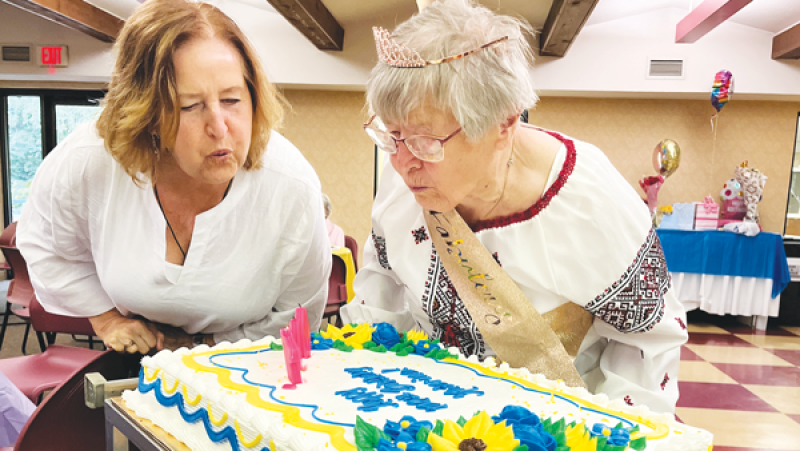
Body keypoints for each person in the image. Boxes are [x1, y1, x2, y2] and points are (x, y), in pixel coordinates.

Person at [341, 0, 687, 414]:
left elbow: (648, 339)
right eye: (391, 134)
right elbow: (382, 289)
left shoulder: (592, 203)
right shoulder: (404, 183)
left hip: (559, 422)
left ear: (503, 124)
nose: (401, 162)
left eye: (425, 141)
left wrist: (611, 429)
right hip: (425, 414)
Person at [16, 0, 331, 355]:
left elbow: (296, 318)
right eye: (189, 106)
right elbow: (45, 245)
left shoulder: (291, 185)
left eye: (231, 99)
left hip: (247, 362)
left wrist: (206, 345)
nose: (219, 127)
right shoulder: (89, 161)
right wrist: (106, 319)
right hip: (132, 357)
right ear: (145, 113)